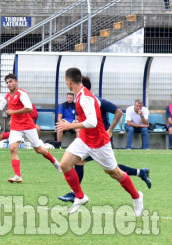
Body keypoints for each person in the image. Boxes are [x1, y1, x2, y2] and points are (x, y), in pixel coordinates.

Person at [56, 67, 143, 216]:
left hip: (99, 143)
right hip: (84, 140)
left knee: (114, 173)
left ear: (69, 82)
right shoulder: (79, 95)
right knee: (64, 164)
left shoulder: (85, 97)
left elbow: (92, 122)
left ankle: (137, 197)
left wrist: (70, 125)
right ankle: (80, 196)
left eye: (65, 80)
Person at [3, 73, 60, 183]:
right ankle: (17, 175)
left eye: (11, 82)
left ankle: (54, 161)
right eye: (7, 83)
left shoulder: (22, 94)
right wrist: (11, 118)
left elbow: (29, 108)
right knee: (12, 148)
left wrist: (13, 112)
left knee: (39, 150)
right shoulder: (8, 95)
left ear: (16, 82)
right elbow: (11, 107)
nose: (9, 84)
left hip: (27, 125)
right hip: (15, 126)